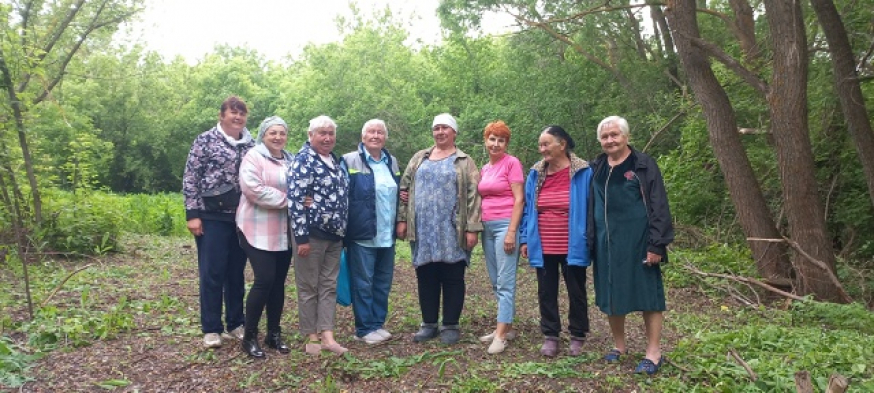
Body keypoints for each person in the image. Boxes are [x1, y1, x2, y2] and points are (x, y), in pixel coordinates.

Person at [589, 116, 674, 375]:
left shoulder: (643, 164)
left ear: (626, 136)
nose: (610, 140)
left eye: (614, 135)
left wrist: (656, 244)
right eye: (604, 137)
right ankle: (619, 345)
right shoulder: (597, 166)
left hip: (639, 241)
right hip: (605, 243)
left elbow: (659, 204)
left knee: (648, 294)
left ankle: (653, 352)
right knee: (610, 293)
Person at [396, 113, 482, 345]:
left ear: (454, 132)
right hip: (423, 228)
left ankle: (451, 325)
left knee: (453, 275)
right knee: (426, 275)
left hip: (452, 228)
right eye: (436, 128)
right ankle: (429, 324)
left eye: (445, 128)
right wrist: (402, 220)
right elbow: (404, 189)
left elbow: (474, 196)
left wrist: (472, 228)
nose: (440, 132)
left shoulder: (464, 161)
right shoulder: (419, 158)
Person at [183, 96, 254, 348]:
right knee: (212, 272)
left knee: (236, 273)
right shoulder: (205, 140)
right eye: (233, 112)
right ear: (221, 115)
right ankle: (212, 328)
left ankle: (236, 323)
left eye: (241, 113)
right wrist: (192, 214)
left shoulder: (252, 144)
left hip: (241, 218)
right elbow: (191, 176)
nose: (237, 117)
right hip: (211, 216)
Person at [519, 125, 592, 358]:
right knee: (546, 291)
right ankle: (551, 335)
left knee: (576, 290)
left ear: (562, 144)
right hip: (543, 243)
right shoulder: (535, 173)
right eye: (540, 145)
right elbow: (528, 208)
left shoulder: (583, 171)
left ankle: (578, 335)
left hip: (574, 242)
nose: (542, 149)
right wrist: (524, 239)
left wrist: (592, 237)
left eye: (546, 144)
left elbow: (593, 208)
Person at [288, 115, 350, 355]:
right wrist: (301, 238)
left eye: (330, 133)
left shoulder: (334, 161)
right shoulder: (303, 161)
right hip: (311, 235)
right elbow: (295, 200)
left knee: (329, 286)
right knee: (308, 286)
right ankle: (311, 335)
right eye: (322, 133)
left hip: (335, 235)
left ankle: (327, 335)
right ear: (310, 135)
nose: (327, 137)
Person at [235, 116, 293, 358]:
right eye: (273, 133)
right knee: (264, 280)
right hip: (255, 228)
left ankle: (273, 333)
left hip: (283, 231)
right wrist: (290, 201)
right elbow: (253, 189)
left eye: (282, 132)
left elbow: (302, 187)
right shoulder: (253, 157)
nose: (278, 137)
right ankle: (249, 336)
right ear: (263, 135)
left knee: (278, 282)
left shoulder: (291, 159)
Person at [341, 119, 400, 345]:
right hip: (362, 234)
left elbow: (398, 191)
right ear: (363, 137)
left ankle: (377, 323)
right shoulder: (349, 160)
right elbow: (343, 195)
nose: (376, 136)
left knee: (383, 282)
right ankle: (363, 328)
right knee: (363, 282)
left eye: (380, 132)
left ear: (385, 137)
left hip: (387, 233)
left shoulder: (391, 161)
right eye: (371, 132)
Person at [477, 120, 524, 354]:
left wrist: (512, 232)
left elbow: (519, 199)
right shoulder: (485, 168)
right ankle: (507, 327)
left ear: (506, 143)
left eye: (501, 140)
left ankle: (501, 335)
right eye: (492, 139)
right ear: (486, 141)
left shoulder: (512, 163)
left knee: (505, 281)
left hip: (506, 225)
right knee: (496, 280)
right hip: (487, 227)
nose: (496, 144)